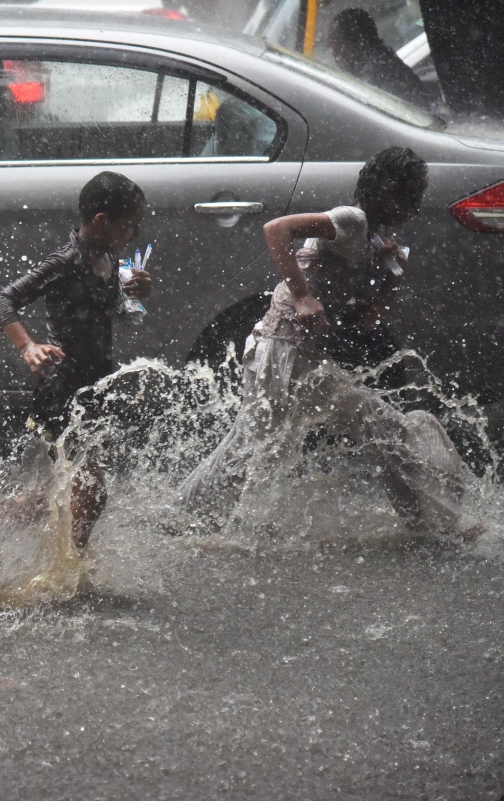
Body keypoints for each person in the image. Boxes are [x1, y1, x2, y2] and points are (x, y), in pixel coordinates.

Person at [177, 147, 479, 541]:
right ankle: (433, 528)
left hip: (295, 357)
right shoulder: (351, 220)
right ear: (390, 191)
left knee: (256, 444)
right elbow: (276, 229)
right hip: (282, 353)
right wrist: (302, 296)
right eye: (412, 197)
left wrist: (390, 278)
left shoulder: (374, 238)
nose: (416, 208)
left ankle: (181, 514)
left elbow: (370, 322)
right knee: (376, 430)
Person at [0, 171, 151, 547]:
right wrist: (28, 346)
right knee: (91, 491)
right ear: (101, 221)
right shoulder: (66, 260)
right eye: (130, 225)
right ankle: (71, 569)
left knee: (61, 492)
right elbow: (5, 299)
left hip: (91, 386)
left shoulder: (108, 256)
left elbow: (106, 308)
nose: (136, 233)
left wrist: (136, 287)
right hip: (61, 389)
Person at [329, 8, 431, 109]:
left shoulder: (377, 83)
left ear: (355, 45)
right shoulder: (385, 64)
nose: (334, 53)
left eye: (337, 46)